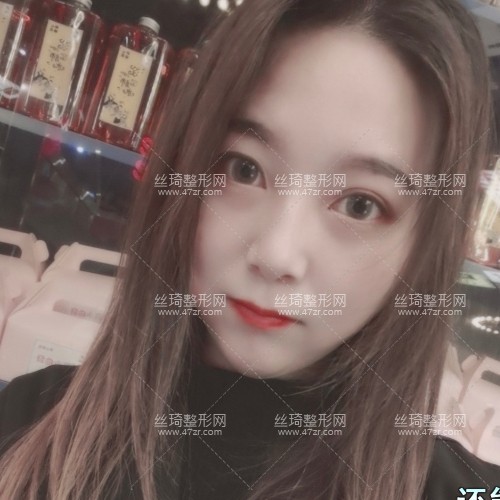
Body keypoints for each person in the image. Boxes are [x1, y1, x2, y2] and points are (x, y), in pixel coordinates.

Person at [1, 0, 499, 498]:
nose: (276, 255)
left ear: (424, 244)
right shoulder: (26, 427)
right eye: (244, 169)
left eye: (360, 205)